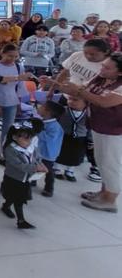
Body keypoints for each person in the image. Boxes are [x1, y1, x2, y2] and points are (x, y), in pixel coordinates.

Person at [54, 53, 122, 213]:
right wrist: (57, 85)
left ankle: (110, 200)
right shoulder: (101, 78)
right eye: (103, 65)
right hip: (98, 125)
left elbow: (103, 102)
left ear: (119, 72)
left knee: (110, 164)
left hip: (114, 129)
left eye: (107, 67)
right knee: (101, 160)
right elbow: (81, 90)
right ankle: (104, 193)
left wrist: (78, 90)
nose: (102, 68)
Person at [0, 44, 29, 162]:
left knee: (8, 129)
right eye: (9, 56)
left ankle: (2, 154)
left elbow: (20, 86)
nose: (12, 59)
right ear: (2, 53)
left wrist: (19, 103)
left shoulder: (19, 67)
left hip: (11, 101)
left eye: (15, 56)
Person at [0, 122, 47, 228]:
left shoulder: (31, 148)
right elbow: (19, 165)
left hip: (25, 179)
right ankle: (21, 221)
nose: (29, 142)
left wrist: (41, 165)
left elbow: (37, 158)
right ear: (15, 137)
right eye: (25, 139)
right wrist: (35, 168)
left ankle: (6, 206)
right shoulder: (10, 150)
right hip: (13, 179)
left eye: (30, 139)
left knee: (13, 197)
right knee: (18, 199)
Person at [37, 101, 65, 197]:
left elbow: (49, 139)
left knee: (48, 171)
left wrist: (37, 130)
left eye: (42, 106)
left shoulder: (55, 127)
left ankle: (49, 188)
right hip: (39, 151)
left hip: (48, 153)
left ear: (48, 112)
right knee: (35, 166)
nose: (39, 107)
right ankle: (32, 181)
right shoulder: (43, 121)